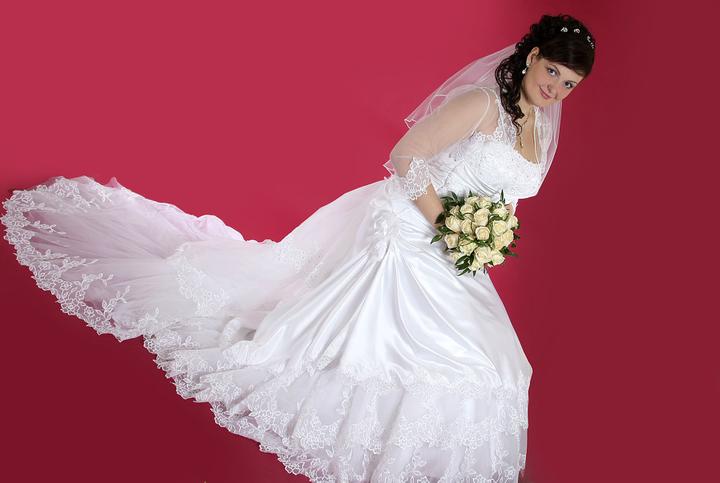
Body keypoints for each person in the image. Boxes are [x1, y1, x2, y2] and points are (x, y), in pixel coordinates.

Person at [0, 13, 594, 483]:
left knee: (498, 366)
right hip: (414, 227)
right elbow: (406, 158)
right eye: (553, 73)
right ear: (532, 56)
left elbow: (505, 194)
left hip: (457, 244)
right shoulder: (481, 104)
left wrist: (488, 236)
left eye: (569, 85)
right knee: (376, 345)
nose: (556, 90)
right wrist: (453, 226)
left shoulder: (539, 125)